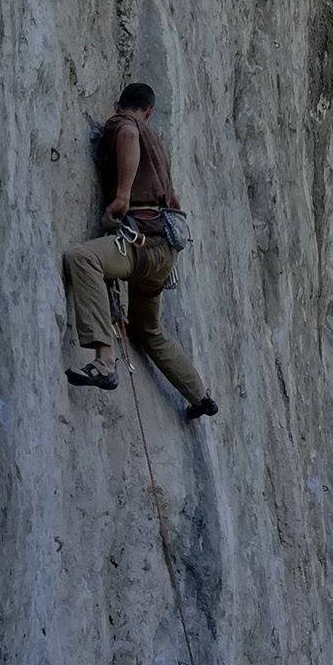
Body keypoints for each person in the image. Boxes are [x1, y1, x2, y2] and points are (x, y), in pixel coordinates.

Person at [62, 82, 218, 421]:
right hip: (164, 254)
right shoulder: (158, 145)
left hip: (137, 245)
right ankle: (200, 395)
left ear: (121, 104)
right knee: (147, 329)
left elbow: (128, 134)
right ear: (150, 110)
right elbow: (174, 201)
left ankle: (104, 361)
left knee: (83, 259)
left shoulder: (124, 124)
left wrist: (121, 197)